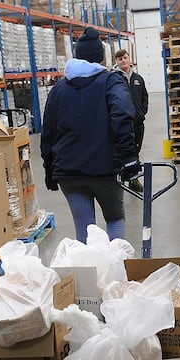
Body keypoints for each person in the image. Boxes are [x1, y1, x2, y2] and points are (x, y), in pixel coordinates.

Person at [41, 26, 141, 243]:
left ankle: (88, 275)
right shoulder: (111, 82)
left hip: (70, 173)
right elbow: (122, 116)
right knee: (115, 218)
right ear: (101, 57)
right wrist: (129, 158)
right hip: (105, 171)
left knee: (84, 230)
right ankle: (114, 271)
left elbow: (47, 132)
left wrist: (49, 170)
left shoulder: (58, 89)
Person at [112, 49, 149, 192]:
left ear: (129, 59)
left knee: (136, 150)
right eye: (120, 59)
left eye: (125, 58)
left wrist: (141, 112)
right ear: (117, 62)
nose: (123, 61)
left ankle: (134, 180)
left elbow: (144, 97)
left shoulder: (138, 79)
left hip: (138, 123)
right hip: (122, 124)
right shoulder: (114, 79)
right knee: (122, 151)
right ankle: (120, 179)